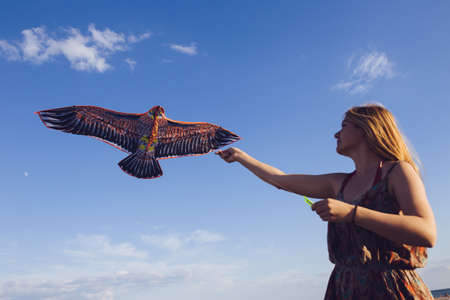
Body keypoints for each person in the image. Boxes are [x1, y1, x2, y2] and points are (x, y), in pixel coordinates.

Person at [216, 104, 436, 299]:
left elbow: (426, 232)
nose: (335, 134)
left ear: (366, 129)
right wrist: (241, 157)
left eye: (344, 126)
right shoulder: (338, 183)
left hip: (391, 290)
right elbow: (279, 180)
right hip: (344, 289)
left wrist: (352, 213)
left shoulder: (398, 171)